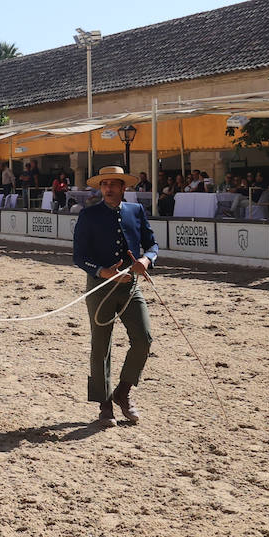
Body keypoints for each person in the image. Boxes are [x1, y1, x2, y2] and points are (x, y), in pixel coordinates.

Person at [73, 166, 158, 428]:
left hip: (132, 287)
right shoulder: (88, 215)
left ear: (124, 188)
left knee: (143, 340)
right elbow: (79, 256)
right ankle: (105, 404)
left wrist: (146, 259)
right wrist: (104, 272)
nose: (108, 188)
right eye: (104, 184)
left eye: (114, 184)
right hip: (100, 288)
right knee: (101, 347)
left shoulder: (136, 211)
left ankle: (123, 391)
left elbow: (152, 244)